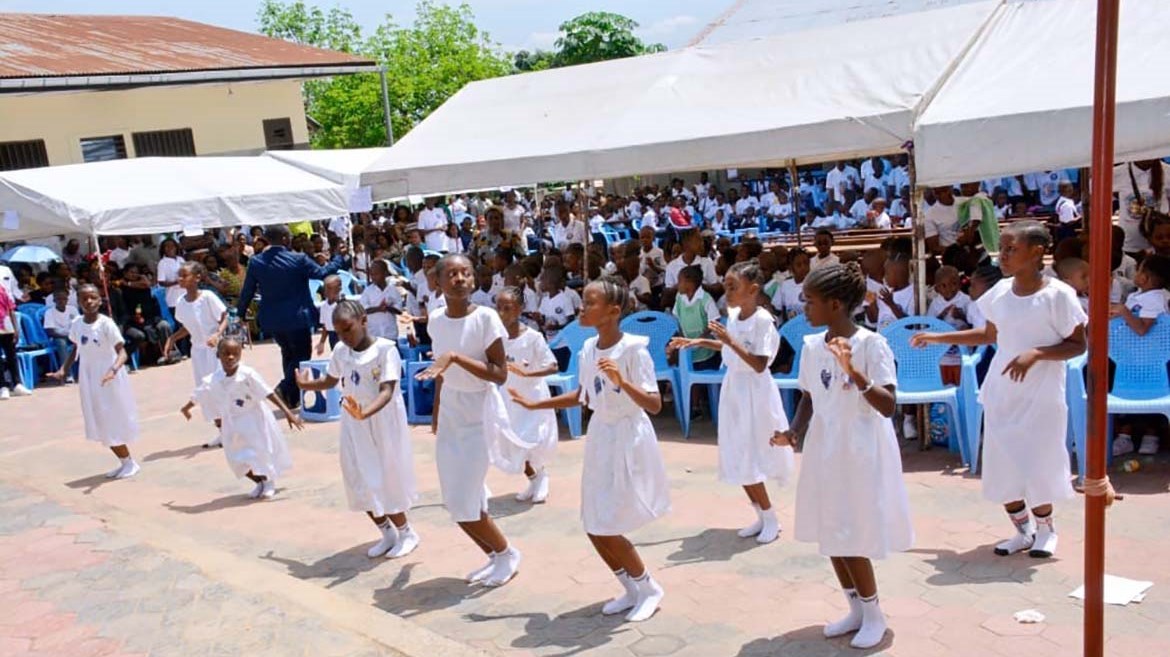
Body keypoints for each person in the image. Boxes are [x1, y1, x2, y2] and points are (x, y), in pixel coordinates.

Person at [912, 221, 1086, 559]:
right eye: (1001, 249)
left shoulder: (1058, 295)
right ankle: (1022, 530)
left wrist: (1037, 354)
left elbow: (1078, 344)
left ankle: (1047, 529)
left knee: (1039, 460)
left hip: (1042, 393)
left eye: (1011, 249)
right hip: (1003, 389)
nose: (1003, 255)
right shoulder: (1001, 293)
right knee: (1003, 461)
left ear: (1036, 252)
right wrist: (938, 336)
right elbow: (988, 335)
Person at [509, 277, 670, 622]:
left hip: (628, 437)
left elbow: (654, 404)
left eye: (591, 302)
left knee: (609, 521)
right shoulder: (587, 350)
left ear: (613, 312)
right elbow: (581, 395)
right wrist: (533, 404)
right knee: (593, 521)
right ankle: (630, 587)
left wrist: (622, 382)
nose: (582, 307)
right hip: (601, 436)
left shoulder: (632, 350)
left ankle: (649, 587)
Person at [774, 263, 912, 649]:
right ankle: (854, 608)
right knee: (832, 529)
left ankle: (874, 615)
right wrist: (793, 432)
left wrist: (853, 370)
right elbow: (808, 396)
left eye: (810, 301)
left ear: (834, 304)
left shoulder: (871, 345)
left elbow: (887, 406)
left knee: (852, 532)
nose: (804, 307)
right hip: (825, 445)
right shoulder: (812, 346)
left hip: (861, 448)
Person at [415, 255, 526, 587]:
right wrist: (436, 413)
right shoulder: (435, 320)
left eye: (466, 272)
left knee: (466, 493)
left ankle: (507, 553)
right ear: (437, 282)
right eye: (451, 274)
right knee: (454, 496)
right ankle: (494, 556)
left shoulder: (487, 319)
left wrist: (457, 358)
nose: (460, 278)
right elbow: (440, 371)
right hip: (451, 410)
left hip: (480, 411)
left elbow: (500, 375)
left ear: (474, 280)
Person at [671, 261, 794, 543]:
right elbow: (729, 346)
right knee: (738, 453)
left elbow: (760, 363)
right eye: (725, 286)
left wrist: (728, 339)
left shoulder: (763, 321)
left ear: (752, 290)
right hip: (734, 389)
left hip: (755, 392)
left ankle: (771, 517)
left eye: (732, 287)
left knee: (752, 454)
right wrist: (699, 342)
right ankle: (760, 515)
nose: (726, 292)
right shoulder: (735, 315)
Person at [297, 300, 421, 559]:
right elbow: (331, 380)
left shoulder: (385, 350)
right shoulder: (342, 351)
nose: (344, 336)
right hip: (354, 421)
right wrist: (307, 386)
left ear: (364, 321)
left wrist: (366, 412)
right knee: (358, 476)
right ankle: (386, 531)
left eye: (348, 329)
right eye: (339, 332)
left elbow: (387, 391)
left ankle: (407, 531)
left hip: (382, 421)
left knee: (385, 476)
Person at [237, 225, 346, 411]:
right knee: (301, 355)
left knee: (287, 353)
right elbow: (322, 273)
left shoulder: (256, 262)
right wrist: (339, 257)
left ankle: (291, 398)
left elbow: (247, 290)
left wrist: (240, 313)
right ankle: (284, 386)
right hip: (298, 317)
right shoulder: (298, 259)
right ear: (286, 240)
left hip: (272, 318)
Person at [181, 337, 298, 500]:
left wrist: (287, 412)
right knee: (236, 458)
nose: (230, 357)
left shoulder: (248, 374)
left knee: (259, 453)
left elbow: (267, 392)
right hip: (232, 422)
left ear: (241, 354)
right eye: (226, 354)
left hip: (254, 419)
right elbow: (202, 392)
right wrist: (187, 408)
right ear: (218, 355)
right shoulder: (215, 378)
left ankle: (268, 482)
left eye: (235, 354)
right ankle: (258, 482)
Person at [47, 285, 141, 479]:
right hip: (89, 375)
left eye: (93, 298)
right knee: (100, 418)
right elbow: (76, 348)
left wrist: (113, 370)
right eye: (84, 299)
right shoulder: (77, 323)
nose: (89, 302)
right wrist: (63, 370)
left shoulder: (106, 324)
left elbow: (122, 351)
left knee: (111, 418)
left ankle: (130, 462)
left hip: (108, 374)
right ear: (79, 302)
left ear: (100, 300)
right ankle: (125, 461)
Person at [496, 287, 560, 503]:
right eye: (499, 308)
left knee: (531, 441)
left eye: (508, 308)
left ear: (520, 309)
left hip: (532, 397)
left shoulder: (533, 337)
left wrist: (528, 372)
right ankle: (534, 480)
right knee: (513, 443)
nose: (503, 313)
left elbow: (552, 366)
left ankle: (542, 477)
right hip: (509, 396)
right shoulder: (497, 338)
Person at [1109, 255, 1170, 457]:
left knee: (1150, 399)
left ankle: (1150, 437)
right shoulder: (1140, 296)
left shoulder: (1155, 298)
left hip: (1151, 361)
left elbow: (1143, 329)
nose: (1136, 273)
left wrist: (1124, 313)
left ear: (1147, 278)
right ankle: (1124, 437)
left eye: (1140, 269)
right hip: (1132, 359)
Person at [164, 262, 228, 448]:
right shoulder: (181, 303)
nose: (180, 279)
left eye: (185, 275)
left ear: (197, 278)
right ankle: (222, 431)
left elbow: (224, 317)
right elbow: (187, 327)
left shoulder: (207, 297)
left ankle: (233, 430)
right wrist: (172, 339)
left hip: (216, 350)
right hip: (199, 351)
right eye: (179, 276)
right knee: (206, 390)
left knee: (221, 388)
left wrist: (217, 334)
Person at [359, 260, 402, 342]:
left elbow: (399, 310)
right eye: (372, 274)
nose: (373, 277)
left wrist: (388, 308)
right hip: (374, 333)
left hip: (390, 333)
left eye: (376, 274)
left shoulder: (392, 290)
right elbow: (363, 309)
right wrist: (378, 309)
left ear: (385, 273)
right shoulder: (368, 291)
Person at [315, 275, 344, 356]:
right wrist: (322, 342)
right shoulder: (324, 306)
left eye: (330, 289)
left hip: (344, 334)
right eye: (326, 289)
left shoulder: (343, 305)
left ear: (339, 289)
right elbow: (325, 326)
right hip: (333, 336)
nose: (327, 292)